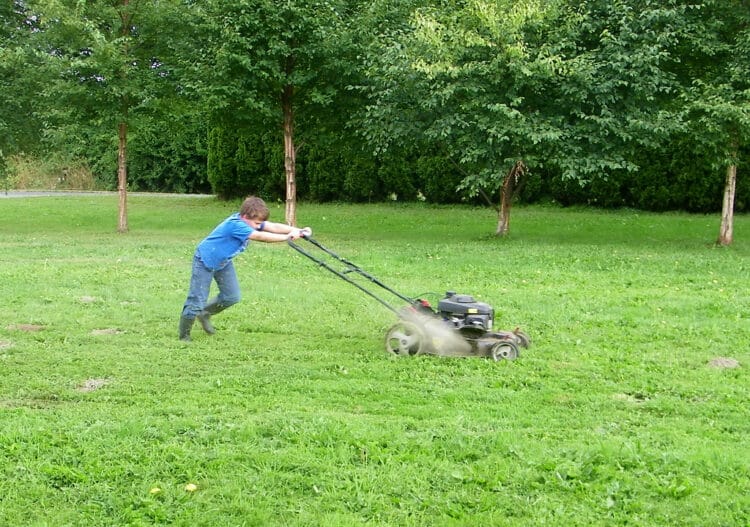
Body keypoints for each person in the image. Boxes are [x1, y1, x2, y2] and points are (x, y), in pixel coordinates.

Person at [179, 196, 312, 341]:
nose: (258, 225)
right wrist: (287, 237)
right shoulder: (236, 225)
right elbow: (260, 236)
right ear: (244, 216)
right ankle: (184, 336)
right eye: (256, 223)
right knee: (197, 300)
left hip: (223, 261)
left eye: (259, 223)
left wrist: (298, 230)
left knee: (232, 296)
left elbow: (272, 226)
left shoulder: (249, 222)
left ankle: (204, 313)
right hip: (205, 260)